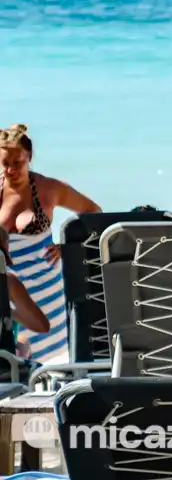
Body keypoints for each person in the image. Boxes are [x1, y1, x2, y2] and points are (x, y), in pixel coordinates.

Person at [0, 124, 98, 359]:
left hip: (47, 288)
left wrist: (68, 247)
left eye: (18, 163)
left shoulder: (49, 188)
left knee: (54, 360)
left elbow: (93, 213)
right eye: (5, 163)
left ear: (30, 157)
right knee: (12, 363)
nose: (11, 170)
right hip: (9, 292)